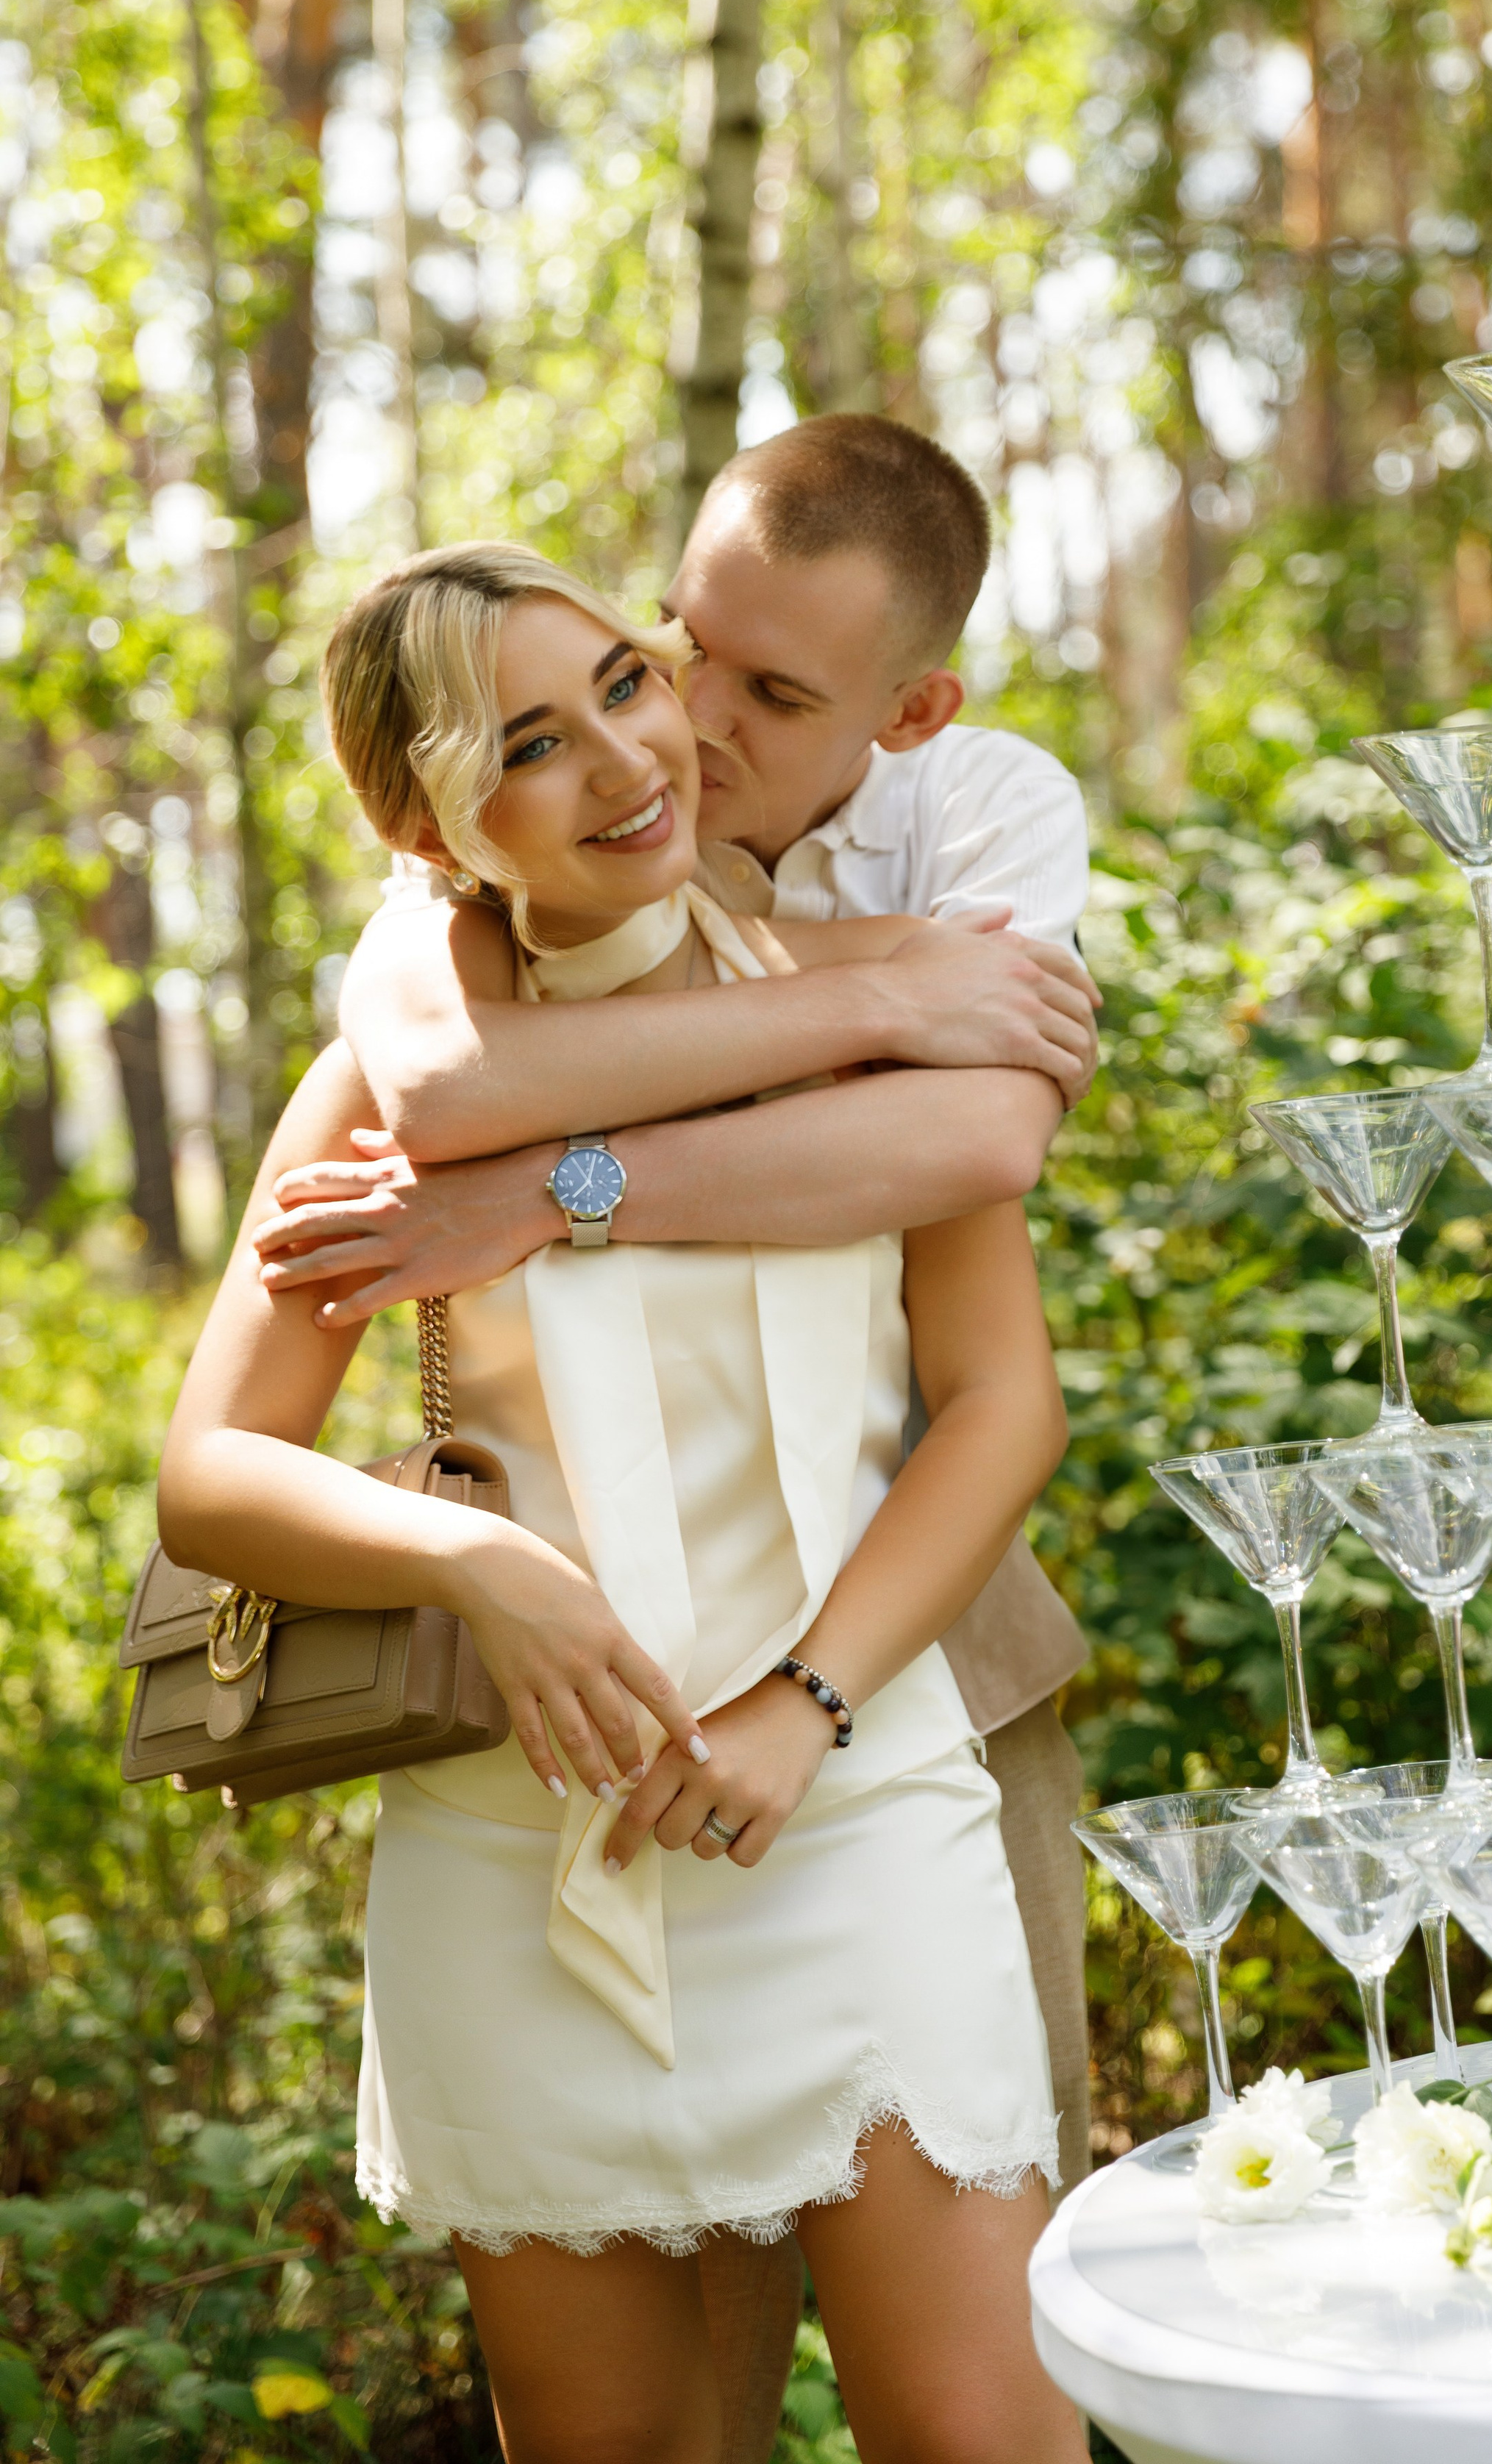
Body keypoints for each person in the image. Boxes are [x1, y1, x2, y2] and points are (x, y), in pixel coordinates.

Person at [159, 546, 1091, 2464]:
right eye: (528, 743)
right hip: (516, 1853)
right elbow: (210, 1476)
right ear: (429, 826)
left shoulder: (869, 1009)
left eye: (623, 687)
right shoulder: (386, 1079)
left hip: (851, 1807)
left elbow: (1002, 1407)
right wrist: (480, 1565)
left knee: (982, 2438)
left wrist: (803, 1703)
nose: (623, 761)